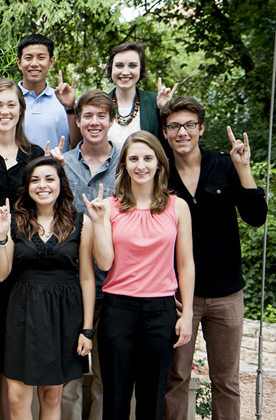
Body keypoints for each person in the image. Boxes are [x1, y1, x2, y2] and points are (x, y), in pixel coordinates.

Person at [161, 97, 268, 420]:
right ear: (165, 133)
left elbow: (256, 216)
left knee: (226, 380)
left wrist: (244, 168)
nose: (182, 132)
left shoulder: (225, 165)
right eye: (174, 126)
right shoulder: (160, 173)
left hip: (226, 293)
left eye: (189, 125)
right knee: (176, 378)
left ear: (201, 128)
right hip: (180, 296)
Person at [85, 131, 194, 420]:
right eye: (133, 158)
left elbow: (185, 264)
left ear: (159, 163)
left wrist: (187, 315)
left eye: (148, 158)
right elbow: (105, 263)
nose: (141, 165)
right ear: (124, 165)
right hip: (118, 309)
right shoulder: (109, 207)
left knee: (152, 400)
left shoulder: (177, 207)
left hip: (161, 311)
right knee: (115, 399)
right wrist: (97, 223)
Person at [0, 156, 96, 420]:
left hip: (64, 316)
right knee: (16, 397)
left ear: (61, 183)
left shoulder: (80, 222)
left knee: (51, 395)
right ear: (26, 186)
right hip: (22, 313)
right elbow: (1, 275)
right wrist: (1, 235)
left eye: (49, 179)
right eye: (35, 180)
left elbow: (86, 277)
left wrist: (87, 329)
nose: (42, 185)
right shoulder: (14, 222)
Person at [0, 77, 44, 420]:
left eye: (11, 104)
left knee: (13, 359)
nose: (4, 111)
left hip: (24, 266)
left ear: (21, 109)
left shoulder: (35, 156)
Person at [60, 89, 120, 420]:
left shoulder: (128, 162)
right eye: (87, 116)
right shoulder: (62, 165)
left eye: (101, 116)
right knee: (69, 380)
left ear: (111, 120)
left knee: (106, 378)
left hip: (116, 286)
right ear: (78, 120)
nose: (94, 122)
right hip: (72, 285)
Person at [68, 42, 176, 152]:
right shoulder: (98, 104)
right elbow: (79, 147)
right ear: (111, 69)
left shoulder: (155, 101)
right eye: (119, 65)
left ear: (140, 69)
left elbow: (171, 146)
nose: (125, 72)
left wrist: (165, 108)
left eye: (132, 66)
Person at [16, 34, 78, 150]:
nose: (34, 64)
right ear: (19, 63)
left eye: (41, 57)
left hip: (56, 167)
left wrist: (70, 107)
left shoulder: (63, 101)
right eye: (28, 58)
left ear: (51, 62)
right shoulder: (8, 99)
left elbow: (78, 147)